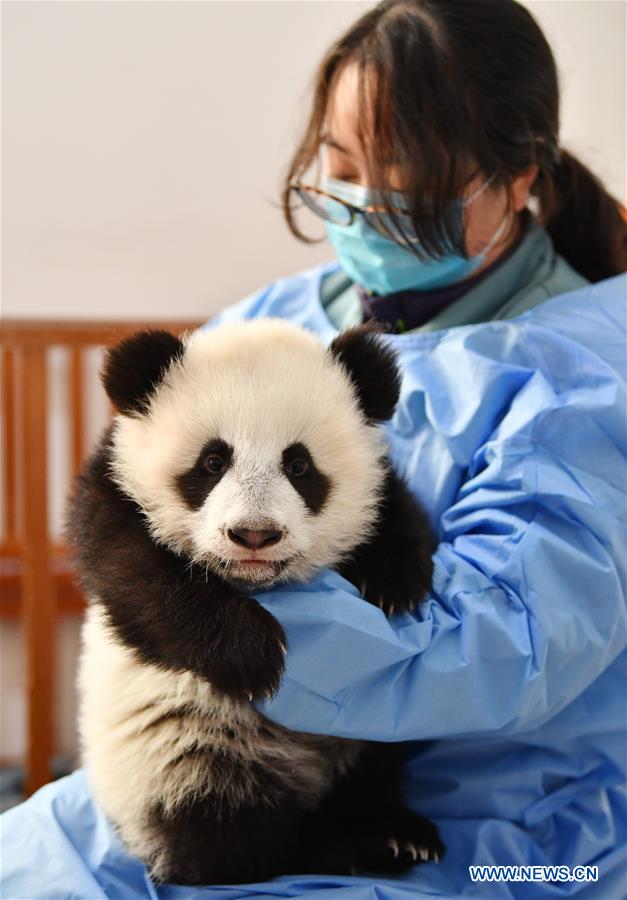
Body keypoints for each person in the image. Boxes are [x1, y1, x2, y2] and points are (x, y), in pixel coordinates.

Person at [1, 2, 625, 898]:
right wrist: (164, 594)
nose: (364, 202)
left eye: (405, 178)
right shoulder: (278, 321)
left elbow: (498, 649)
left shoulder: (585, 384)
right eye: (339, 167)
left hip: (502, 826)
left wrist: (245, 626)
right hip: (203, 760)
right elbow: (135, 487)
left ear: (517, 176)